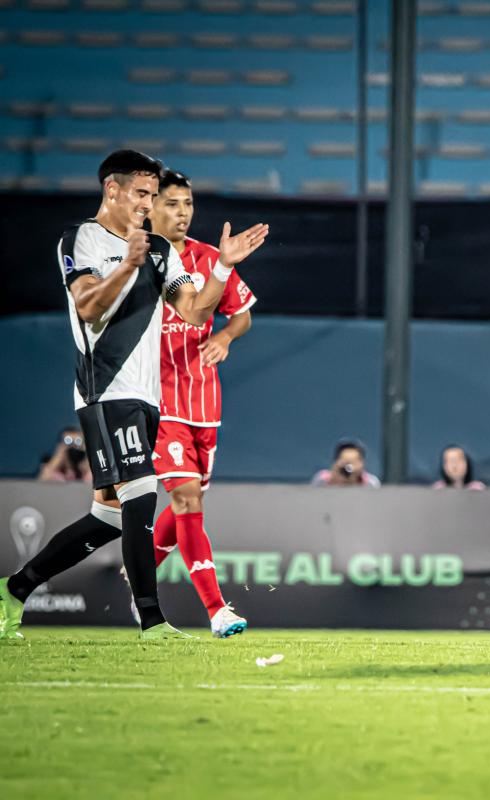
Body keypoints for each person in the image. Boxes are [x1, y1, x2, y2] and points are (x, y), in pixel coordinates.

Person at [0, 149, 268, 640]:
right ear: (113, 190)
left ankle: (15, 588)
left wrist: (223, 270)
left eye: (153, 195)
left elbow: (192, 311)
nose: (148, 204)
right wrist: (127, 265)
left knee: (108, 515)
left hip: (149, 397)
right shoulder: (82, 238)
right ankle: (152, 620)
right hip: (105, 388)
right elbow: (86, 307)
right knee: (144, 495)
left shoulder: (161, 251)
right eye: (142, 194)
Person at [148, 169, 256, 639]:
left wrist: (228, 337)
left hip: (205, 403)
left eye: (188, 203)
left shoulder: (208, 257)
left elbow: (242, 315)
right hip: (158, 400)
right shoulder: (136, 259)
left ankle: (139, 574)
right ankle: (217, 610)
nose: (183, 212)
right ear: (149, 206)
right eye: (172, 203)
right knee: (186, 497)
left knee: (188, 504)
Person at [311, 439, 381, 487]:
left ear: (362, 464)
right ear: (336, 462)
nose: (348, 467)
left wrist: (354, 481)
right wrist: (333, 480)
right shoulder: (323, 479)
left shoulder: (370, 483)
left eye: (353, 462)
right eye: (345, 462)